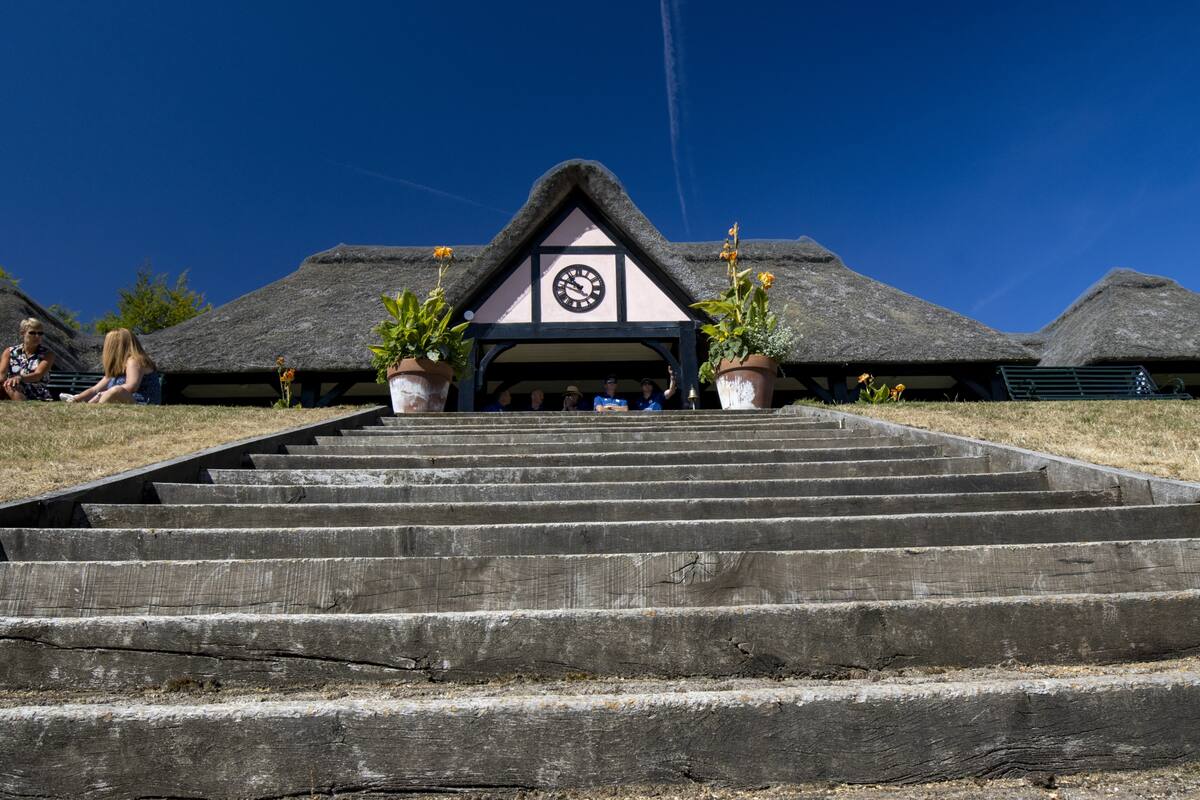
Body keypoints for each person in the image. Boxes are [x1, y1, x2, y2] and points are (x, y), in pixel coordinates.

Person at [65, 328, 161, 405]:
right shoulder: (117, 368)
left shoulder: (135, 360)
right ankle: (89, 406)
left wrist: (104, 394)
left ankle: (93, 407)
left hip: (141, 403)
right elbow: (95, 389)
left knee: (116, 390)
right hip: (122, 402)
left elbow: (131, 386)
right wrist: (76, 399)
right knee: (111, 391)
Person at [1, 318, 55, 401]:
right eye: (32, 333)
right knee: (8, 384)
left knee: (12, 385)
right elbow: (2, 375)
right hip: (9, 385)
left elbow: (38, 375)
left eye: (40, 333)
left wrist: (19, 378)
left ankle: (22, 409)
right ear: (22, 333)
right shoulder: (9, 352)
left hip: (36, 390)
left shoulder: (47, 354)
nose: (37, 336)